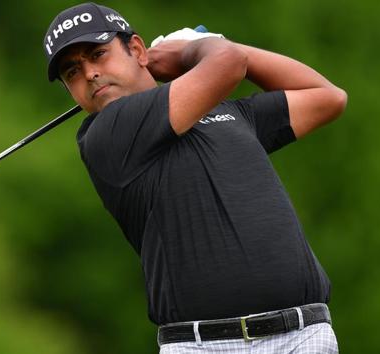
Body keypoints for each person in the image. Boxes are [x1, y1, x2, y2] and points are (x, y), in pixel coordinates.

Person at [43, 3, 347, 353]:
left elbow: (327, 97)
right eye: (72, 72)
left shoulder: (227, 113)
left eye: (98, 54)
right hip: (201, 345)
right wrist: (194, 49)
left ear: (138, 51)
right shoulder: (106, 134)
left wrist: (225, 49)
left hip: (303, 336)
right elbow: (228, 64)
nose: (90, 74)